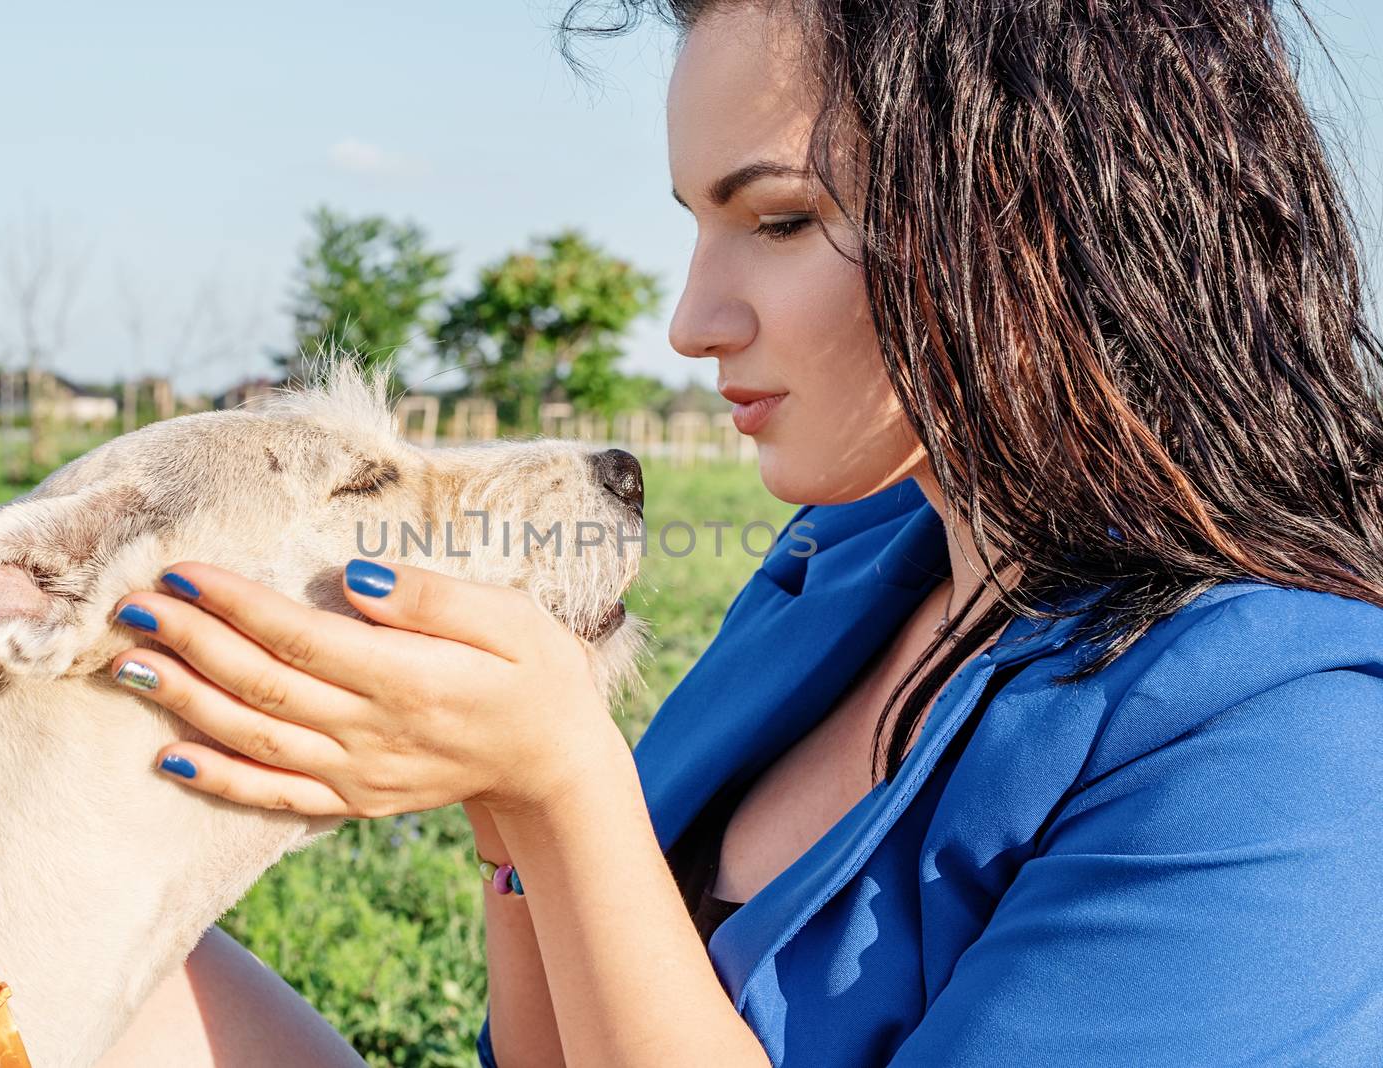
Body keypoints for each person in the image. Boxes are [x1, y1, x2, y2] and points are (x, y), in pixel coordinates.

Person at [98, 0, 1383, 1064]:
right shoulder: (843, 565)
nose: (693, 318)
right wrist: (508, 804)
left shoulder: (1297, 742)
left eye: (775, 220)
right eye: (692, 222)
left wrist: (564, 785)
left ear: (1039, 221)